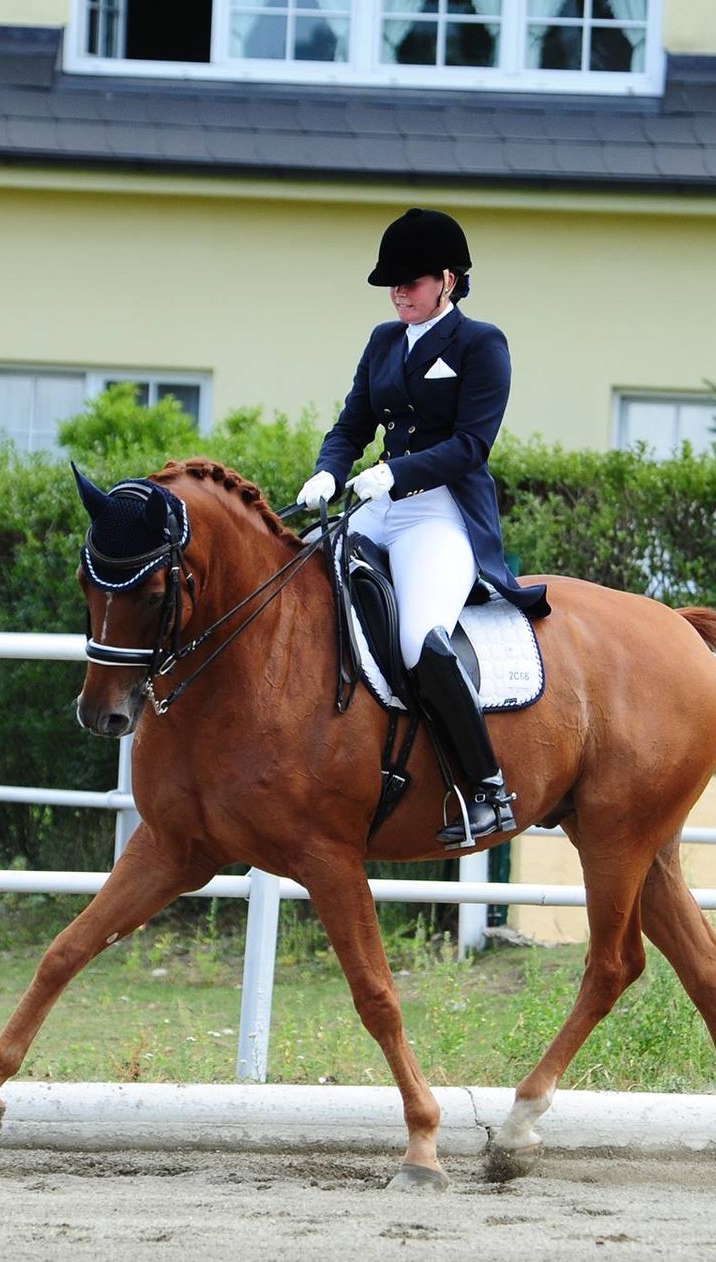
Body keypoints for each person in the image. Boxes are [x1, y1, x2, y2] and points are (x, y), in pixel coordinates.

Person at [296, 207, 549, 848]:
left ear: (447, 280)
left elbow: (471, 445)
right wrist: (328, 471)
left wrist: (396, 472)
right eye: (393, 284)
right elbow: (353, 425)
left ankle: (487, 788)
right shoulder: (384, 340)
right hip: (376, 505)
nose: (398, 294)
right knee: (294, 588)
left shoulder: (481, 344)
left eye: (410, 283)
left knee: (418, 639)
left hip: (439, 513)